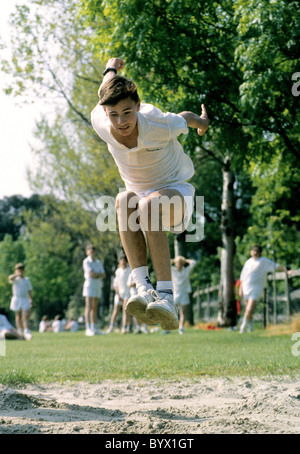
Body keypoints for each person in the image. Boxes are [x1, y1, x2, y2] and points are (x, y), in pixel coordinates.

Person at [91, 57, 209, 331]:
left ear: (138, 107)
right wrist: (110, 68)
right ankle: (144, 289)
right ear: (105, 113)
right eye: (114, 115)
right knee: (122, 200)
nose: (121, 122)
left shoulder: (157, 123)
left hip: (175, 193)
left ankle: (167, 297)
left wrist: (202, 123)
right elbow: (104, 90)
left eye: (128, 113)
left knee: (148, 205)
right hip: (141, 196)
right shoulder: (100, 120)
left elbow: (186, 118)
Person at [238, 244, 287, 333]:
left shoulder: (263, 261)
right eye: (253, 250)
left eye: (257, 251)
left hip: (256, 287)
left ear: (260, 252)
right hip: (246, 286)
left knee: (250, 308)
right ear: (251, 251)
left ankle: (242, 327)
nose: (255, 253)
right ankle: (250, 327)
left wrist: (286, 271)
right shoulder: (248, 262)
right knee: (247, 309)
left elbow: (275, 266)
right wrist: (240, 288)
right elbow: (243, 276)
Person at [82, 244, 106, 336]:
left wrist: (97, 274)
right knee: (89, 306)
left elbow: (103, 274)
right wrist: (98, 274)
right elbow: (91, 274)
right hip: (89, 285)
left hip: (97, 285)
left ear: (95, 251)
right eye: (89, 249)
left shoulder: (98, 262)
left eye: (93, 249)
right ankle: (88, 328)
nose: (91, 251)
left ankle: (94, 327)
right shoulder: (86, 261)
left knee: (95, 307)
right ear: (87, 252)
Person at [171, 256, 196, 334]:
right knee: (172, 311)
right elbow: (166, 263)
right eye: (178, 263)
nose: (179, 264)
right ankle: (169, 328)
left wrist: (185, 260)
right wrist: (175, 260)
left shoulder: (186, 270)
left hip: (184, 293)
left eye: (180, 263)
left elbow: (194, 262)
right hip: (175, 294)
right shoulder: (173, 270)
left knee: (183, 312)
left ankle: (181, 327)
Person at [8, 263, 33, 341]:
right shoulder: (15, 279)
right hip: (17, 298)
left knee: (25, 315)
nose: (20, 271)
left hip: (25, 298)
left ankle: (26, 330)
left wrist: (31, 299)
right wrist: (17, 274)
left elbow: (29, 290)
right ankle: (19, 330)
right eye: (19, 269)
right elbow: (10, 278)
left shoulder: (27, 279)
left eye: (21, 269)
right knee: (18, 315)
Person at [114, 256, 132, 334]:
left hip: (128, 293)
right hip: (120, 294)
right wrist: (118, 294)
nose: (123, 262)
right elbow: (117, 283)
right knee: (118, 310)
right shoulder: (118, 271)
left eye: (124, 261)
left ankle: (124, 327)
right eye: (121, 261)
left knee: (125, 310)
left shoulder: (130, 270)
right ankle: (129, 326)